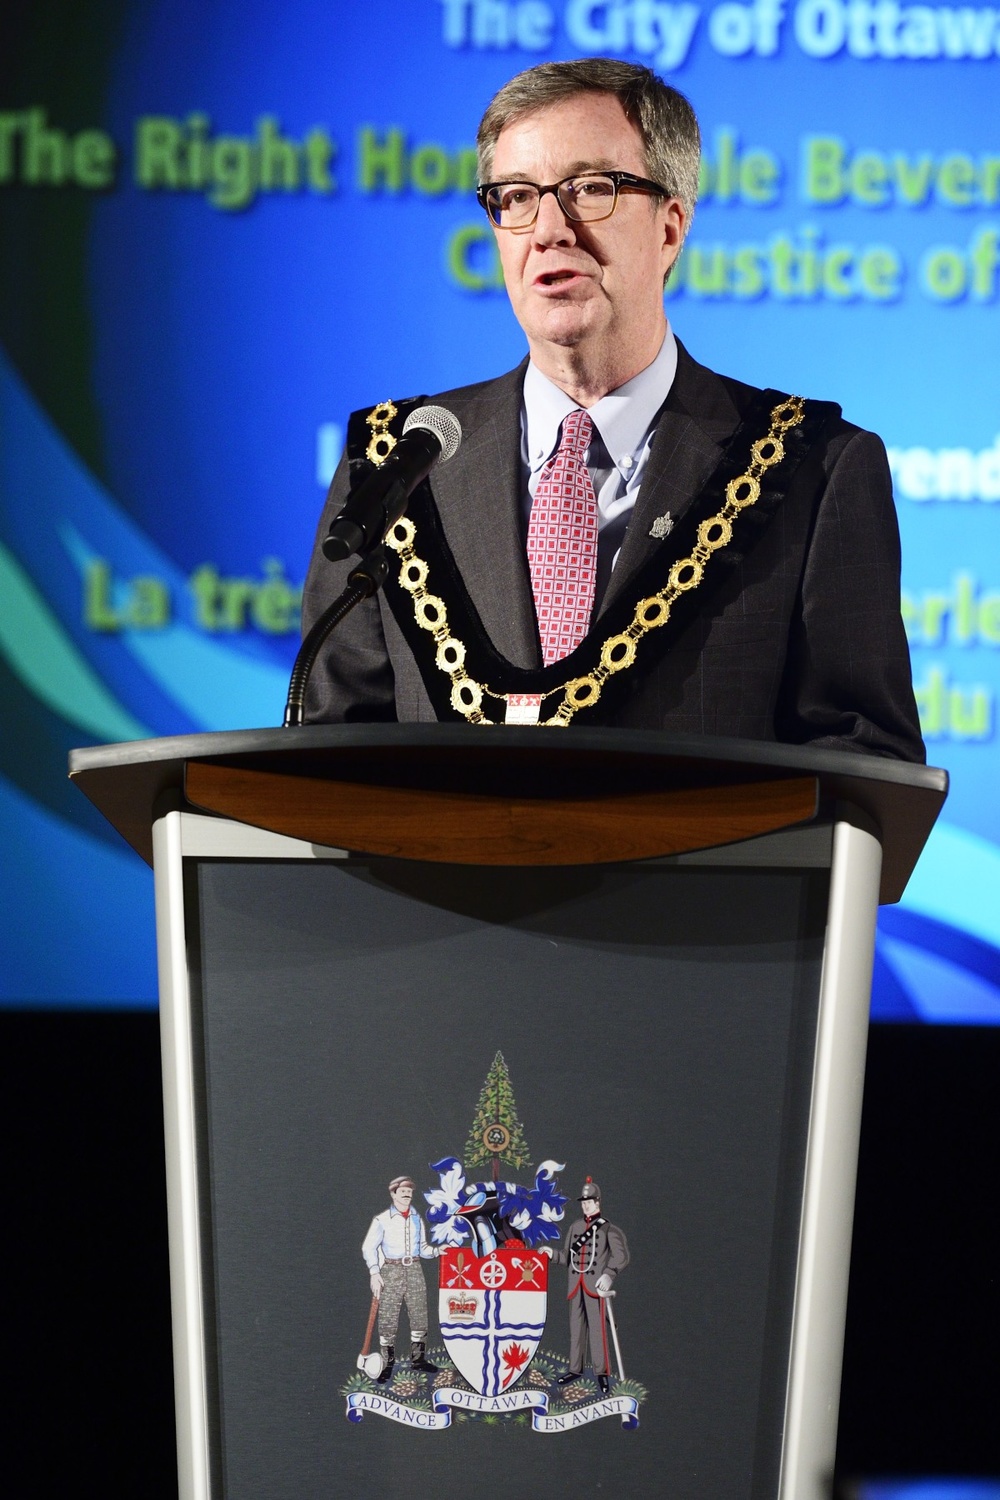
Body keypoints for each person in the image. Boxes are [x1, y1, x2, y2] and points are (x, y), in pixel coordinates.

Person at [302, 58, 923, 760]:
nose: (549, 230)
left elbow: (865, 761)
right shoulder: (396, 462)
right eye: (515, 197)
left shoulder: (810, 469)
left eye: (591, 189)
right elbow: (330, 757)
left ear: (670, 227)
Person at [543, 1177, 629, 1394]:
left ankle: (601, 1374)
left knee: (598, 1332)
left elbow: (621, 1256)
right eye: (583, 1201)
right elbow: (567, 1257)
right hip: (576, 1285)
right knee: (576, 1330)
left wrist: (609, 1274)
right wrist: (552, 1254)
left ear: (597, 1202)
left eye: (589, 1201)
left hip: (595, 1287)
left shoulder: (609, 1229)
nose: (585, 1204)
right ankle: (575, 1369)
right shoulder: (575, 1227)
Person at [361, 1175, 441, 1383]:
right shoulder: (382, 1220)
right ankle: (387, 1365)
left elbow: (422, 1248)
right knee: (388, 1318)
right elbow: (369, 1247)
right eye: (403, 1191)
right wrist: (375, 1273)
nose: (407, 1195)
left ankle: (418, 1359)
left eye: (410, 1192)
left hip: (414, 1268)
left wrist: (438, 1251)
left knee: (419, 1314)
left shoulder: (416, 1219)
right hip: (391, 1271)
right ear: (393, 1193)